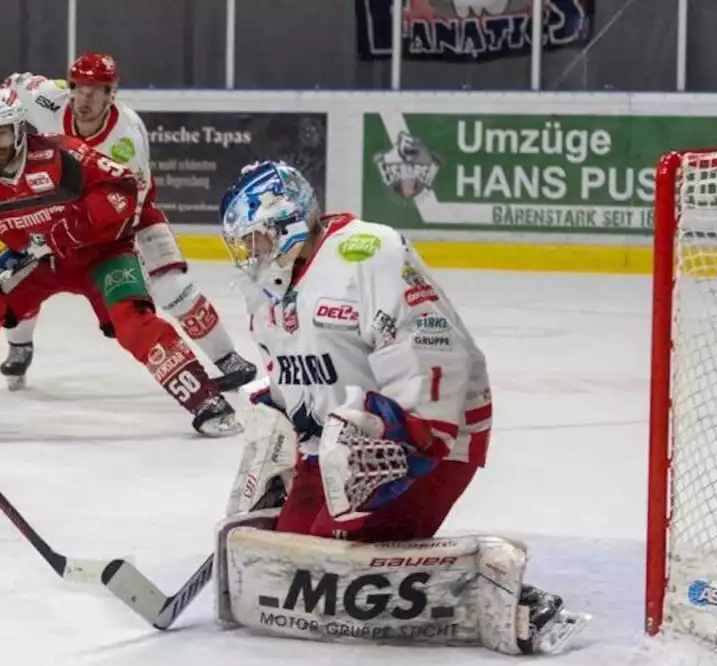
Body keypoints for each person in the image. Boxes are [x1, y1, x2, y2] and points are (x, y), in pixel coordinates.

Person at [212, 161, 587, 655]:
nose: (249, 255)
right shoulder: (265, 291)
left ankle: (497, 588)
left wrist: (413, 437)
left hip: (429, 438)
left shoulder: (367, 252)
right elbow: (294, 380)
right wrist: (276, 423)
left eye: (256, 239)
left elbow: (434, 349)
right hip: (337, 448)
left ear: (289, 223)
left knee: (331, 577)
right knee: (284, 570)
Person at [0, 89, 242, 437]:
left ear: (20, 130)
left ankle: (205, 399)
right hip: (32, 262)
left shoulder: (60, 152)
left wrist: (78, 224)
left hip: (102, 255)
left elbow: (123, 188)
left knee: (135, 323)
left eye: (4, 131)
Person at [0, 53, 257, 395]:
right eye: (80, 88)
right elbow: (10, 85)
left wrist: (101, 241)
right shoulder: (47, 97)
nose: (86, 98)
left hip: (124, 219)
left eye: (98, 91)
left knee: (171, 285)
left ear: (113, 93)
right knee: (24, 268)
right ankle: (20, 347)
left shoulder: (127, 137)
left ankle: (229, 359)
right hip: (56, 214)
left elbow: (131, 200)